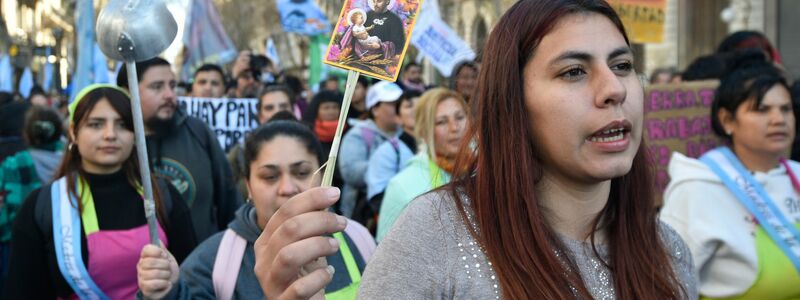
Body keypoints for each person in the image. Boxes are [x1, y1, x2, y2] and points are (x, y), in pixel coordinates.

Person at [252, 1, 697, 299]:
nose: (613, 89)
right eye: (574, 71)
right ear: (512, 101)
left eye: (622, 65)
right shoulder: (435, 233)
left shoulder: (669, 252)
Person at [136, 120, 375, 299]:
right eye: (270, 176)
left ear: (325, 175)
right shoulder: (213, 263)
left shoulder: (361, 241)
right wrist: (166, 291)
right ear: (249, 186)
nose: (287, 188)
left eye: (302, 172)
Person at [3, 84, 196, 299]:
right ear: (73, 133)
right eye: (96, 124)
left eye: (123, 125)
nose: (110, 135)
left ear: (136, 134)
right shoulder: (42, 206)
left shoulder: (163, 196)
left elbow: (192, 281)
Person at [660, 63, 799, 298]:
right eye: (761, 109)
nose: (778, 119)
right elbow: (667, 283)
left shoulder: (796, 175)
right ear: (727, 120)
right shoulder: (698, 187)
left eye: (785, 109)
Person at [118, 58, 242, 242]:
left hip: (203, 265)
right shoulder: (116, 143)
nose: (169, 95)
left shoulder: (197, 131)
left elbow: (229, 199)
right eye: (157, 87)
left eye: (172, 85)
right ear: (128, 92)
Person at [375, 88, 467, 242]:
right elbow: (387, 258)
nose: (454, 128)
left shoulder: (487, 172)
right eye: (441, 122)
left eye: (460, 117)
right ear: (424, 131)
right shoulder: (401, 186)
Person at [0, 105, 63, 293]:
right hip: (61, 245)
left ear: (27, 133)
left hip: (13, 247)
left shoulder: (12, 164)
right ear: (58, 132)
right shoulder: (73, 163)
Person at [338, 81, 402, 218]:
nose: (398, 108)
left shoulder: (407, 134)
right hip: (365, 215)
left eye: (400, 102)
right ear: (375, 109)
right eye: (391, 103)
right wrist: (389, 167)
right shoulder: (358, 135)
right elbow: (351, 172)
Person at [365, 90, 421, 204]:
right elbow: (378, 198)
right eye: (409, 106)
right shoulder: (386, 152)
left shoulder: (441, 148)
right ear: (398, 117)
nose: (417, 110)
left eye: (421, 105)